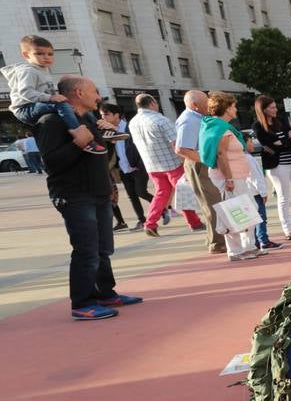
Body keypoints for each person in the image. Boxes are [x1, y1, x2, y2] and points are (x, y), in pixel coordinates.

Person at [35, 75, 141, 319]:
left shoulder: (90, 119)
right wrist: (77, 144)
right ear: (79, 93)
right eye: (94, 91)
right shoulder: (51, 121)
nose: (99, 97)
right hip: (74, 194)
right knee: (87, 249)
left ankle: (106, 293)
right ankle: (82, 303)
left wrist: (110, 185)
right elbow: (51, 162)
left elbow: (98, 155)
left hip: (99, 192)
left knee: (104, 247)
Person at [3, 34, 104, 155]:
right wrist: (51, 97)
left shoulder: (42, 70)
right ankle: (81, 135)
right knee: (61, 105)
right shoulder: (27, 71)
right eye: (39, 53)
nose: (46, 57)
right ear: (26, 55)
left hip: (36, 105)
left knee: (72, 107)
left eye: (50, 54)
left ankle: (99, 128)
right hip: (24, 109)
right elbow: (25, 92)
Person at [127, 93, 203, 237]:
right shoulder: (160, 120)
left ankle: (150, 223)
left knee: (161, 193)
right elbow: (176, 143)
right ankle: (194, 222)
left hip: (151, 165)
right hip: (171, 163)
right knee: (183, 191)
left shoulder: (133, 122)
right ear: (152, 103)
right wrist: (187, 159)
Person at [201, 92, 263, 261]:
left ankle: (248, 247)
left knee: (246, 210)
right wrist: (228, 178)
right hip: (229, 177)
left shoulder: (222, 127)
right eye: (233, 106)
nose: (236, 109)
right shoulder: (219, 128)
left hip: (237, 176)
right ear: (226, 108)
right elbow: (221, 155)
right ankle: (236, 251)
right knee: (236, 212)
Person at [253, 95, 291, 241]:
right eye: (272, 107)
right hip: (277, 166)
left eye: (275, 106)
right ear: (263, 109)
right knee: (284, 197)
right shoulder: (257, 125)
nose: (275, 109)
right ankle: (287, 230)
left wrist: (281, 142)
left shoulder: (281, 120)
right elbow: (266, 143)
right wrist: (285, 140)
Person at [175, 89, 228, 254]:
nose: (209, 105)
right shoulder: (189, 120)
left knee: (215, 201)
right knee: (212, 204)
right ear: (194, 105)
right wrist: (206, 159)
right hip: (198, 164)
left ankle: (215, 239)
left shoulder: (197, 117)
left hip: (201, 162)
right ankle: (216, 243)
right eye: (206, 103)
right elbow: (181, 148)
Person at [99, 102, 149, 231]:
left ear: (117, 115)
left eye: (106, 114)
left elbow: (140, 146)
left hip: (137, 167)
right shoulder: (107, 132)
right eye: (101, 115)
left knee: (141, 192)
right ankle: (141, 220)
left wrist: (139, 163)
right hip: (123, 168)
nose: (103, 118)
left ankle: (163, 208)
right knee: (132, 196)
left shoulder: (130, 127)